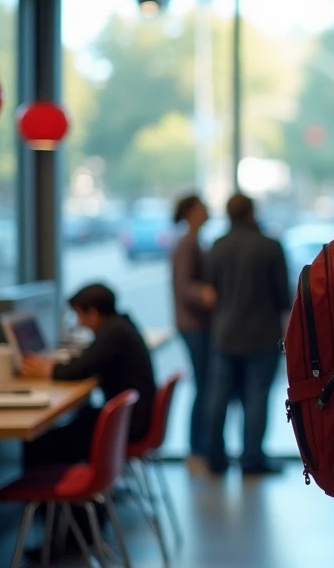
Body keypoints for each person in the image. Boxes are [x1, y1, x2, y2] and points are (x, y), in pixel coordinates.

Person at [21, 284, 157, 467]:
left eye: (79, 315)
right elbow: (87, 361)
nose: (78, 323)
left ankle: (58, 484)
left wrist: (50, 370)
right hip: (132, 419)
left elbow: (78, 369)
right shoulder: (120, 325)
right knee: (78, 419)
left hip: (129, 426)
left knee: (40, 445)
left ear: (93, 313)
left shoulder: (114, 333)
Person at [204, 193, 290, 476]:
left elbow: (212, 289)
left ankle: (215, 458)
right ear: (252, 213)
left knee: (218, 398)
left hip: (225, 334)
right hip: (262, 335)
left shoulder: (218, 246)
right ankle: (251, 460)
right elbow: (283, 295)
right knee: (257, 398)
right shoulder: (270, 246)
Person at [171, 194, 217, 469]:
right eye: (202, 207)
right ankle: (196, 450)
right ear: (190, 212)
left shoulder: (196, 241)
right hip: (194, 325)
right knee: (203, 386)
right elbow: (185, 285)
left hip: (198, 324)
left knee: (205, 385)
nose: (207, 210)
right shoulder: (187, 244)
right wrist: (206, 293)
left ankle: (200, 448)